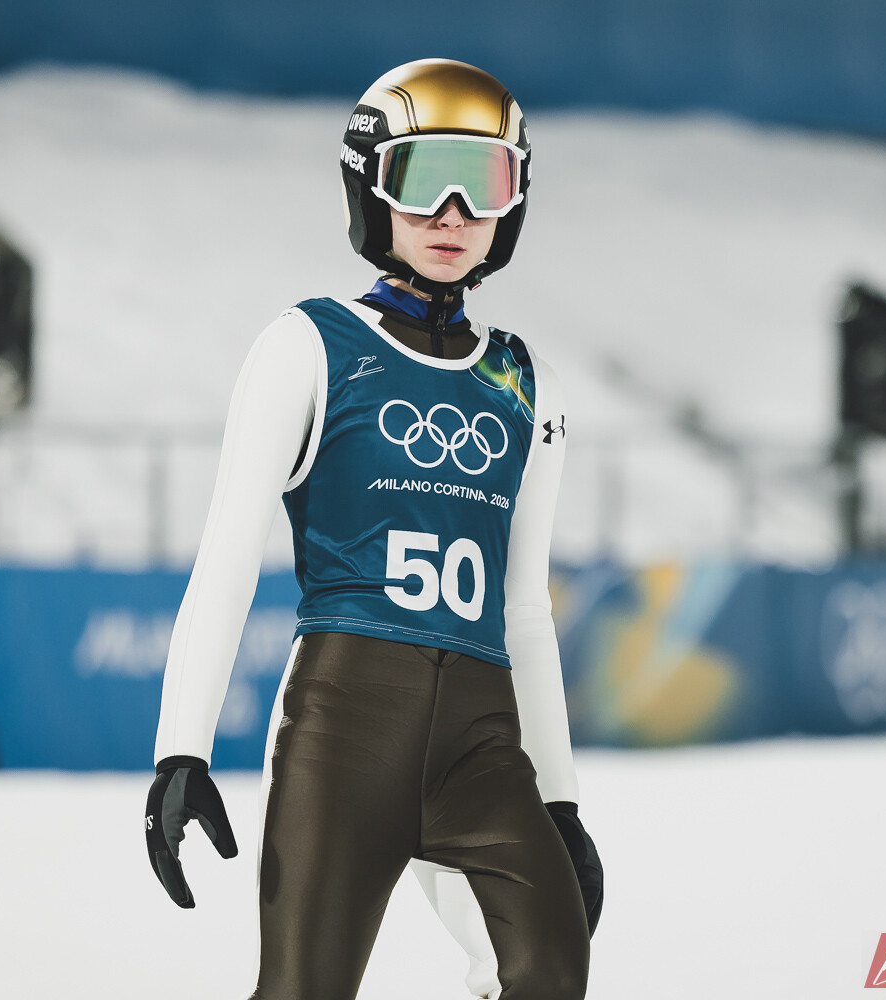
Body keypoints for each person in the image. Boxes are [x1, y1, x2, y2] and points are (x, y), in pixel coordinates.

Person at [143, 57, 602, 1000]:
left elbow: (523, 613)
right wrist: (180, 750)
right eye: (422, 177)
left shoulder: (529, 386)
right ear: (370, 186)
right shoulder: (307, 346)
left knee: (549, 976)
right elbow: (225, 561)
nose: (452, 214)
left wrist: (559, 801)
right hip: (347, 732)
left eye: (483, 184)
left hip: (481, 746)